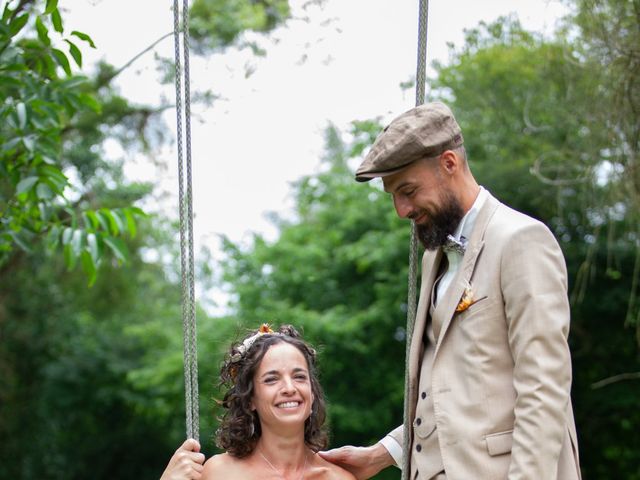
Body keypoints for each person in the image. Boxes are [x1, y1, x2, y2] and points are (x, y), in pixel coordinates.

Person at [319, 102, 582, 479]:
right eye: (393, 195)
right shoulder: (433, 257)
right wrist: (383, 453)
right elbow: (450, 390)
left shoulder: (521, 241)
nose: (401, 210)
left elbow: (544, 390)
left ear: (449, 163)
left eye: (408, 190)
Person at [165, 323, 356, 480]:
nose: (289, 388)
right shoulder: (218, 473)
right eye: (271, 379)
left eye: (299, 377)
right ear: (249, 399)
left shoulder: (339, 478)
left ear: (312, 392)